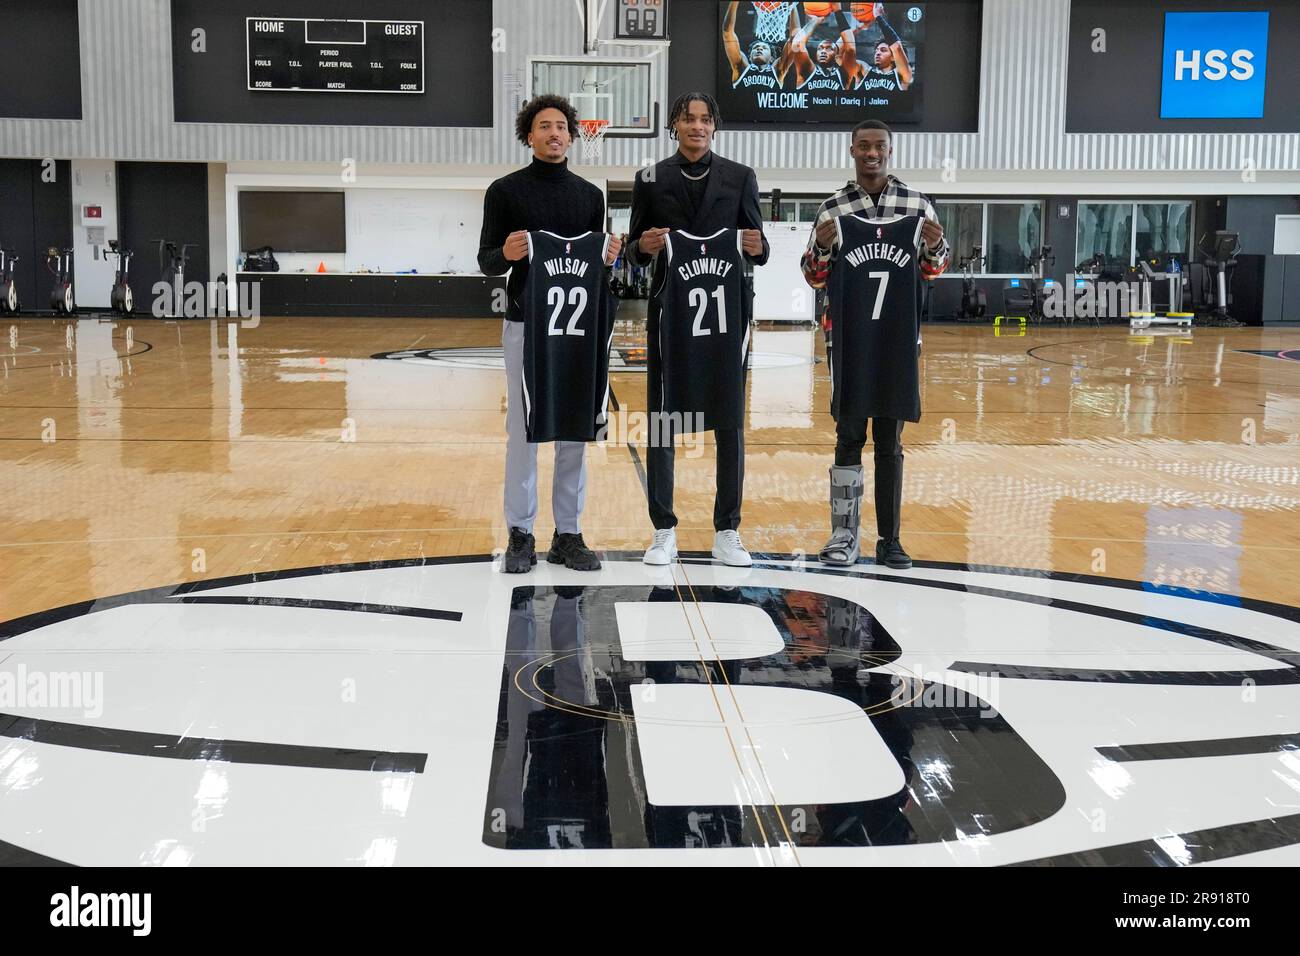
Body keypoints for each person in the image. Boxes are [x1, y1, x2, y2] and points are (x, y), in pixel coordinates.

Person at [478, 94, 621, 574]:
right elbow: (486, 262)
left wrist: (608, 257)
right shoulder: (504, 192)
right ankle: (520, 532)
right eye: (544, 126)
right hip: (525, 324)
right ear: (528, 135)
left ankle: (568, 533)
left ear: (573, 135)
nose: (554, 133)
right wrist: (508, 253)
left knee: (573, 429)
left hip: (576, 330)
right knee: (522, 431)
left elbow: (597, 268)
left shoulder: (590, 197)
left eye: (562, 126)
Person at [627, 91, 768, 567]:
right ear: (674, 125)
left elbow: (759, 249)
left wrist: (757, 244)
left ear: (715, 126)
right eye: (688, 119)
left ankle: (728, 529)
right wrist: (641, 247)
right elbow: (632, 250)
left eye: (705, 119)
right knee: (665, 420)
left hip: (727, 317)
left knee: (729, 423)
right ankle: (663, 528)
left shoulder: (741, 177)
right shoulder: (650, 179)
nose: (697, 126)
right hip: (671, 316)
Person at [800, 119, 948, 569]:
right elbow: (813, 276)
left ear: (890, 150)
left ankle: (890, 539)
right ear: (851, 151)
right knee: (848, 439)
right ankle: (844, 536)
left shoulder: (919, 206)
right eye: (863, 146)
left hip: (896, 347)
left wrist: (936, 247)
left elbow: (933, 271)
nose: (871, 153)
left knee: (890, 442)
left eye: (879, 146)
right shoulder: (833, 209)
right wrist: (821, 250)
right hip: (848, 344)